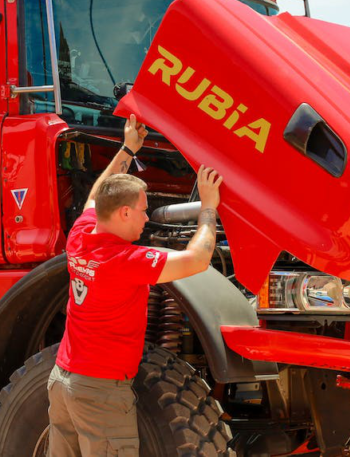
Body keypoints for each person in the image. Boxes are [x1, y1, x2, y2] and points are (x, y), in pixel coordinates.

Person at [47, 114, 223, 457]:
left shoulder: (80, 236)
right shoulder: (125, 262)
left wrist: (129, 148)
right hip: (101, 391)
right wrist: (208, 208)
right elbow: (197, 259)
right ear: (124, 213)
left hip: (63, 381)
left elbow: (100, 193)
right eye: (143, 210)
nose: (147, 217)